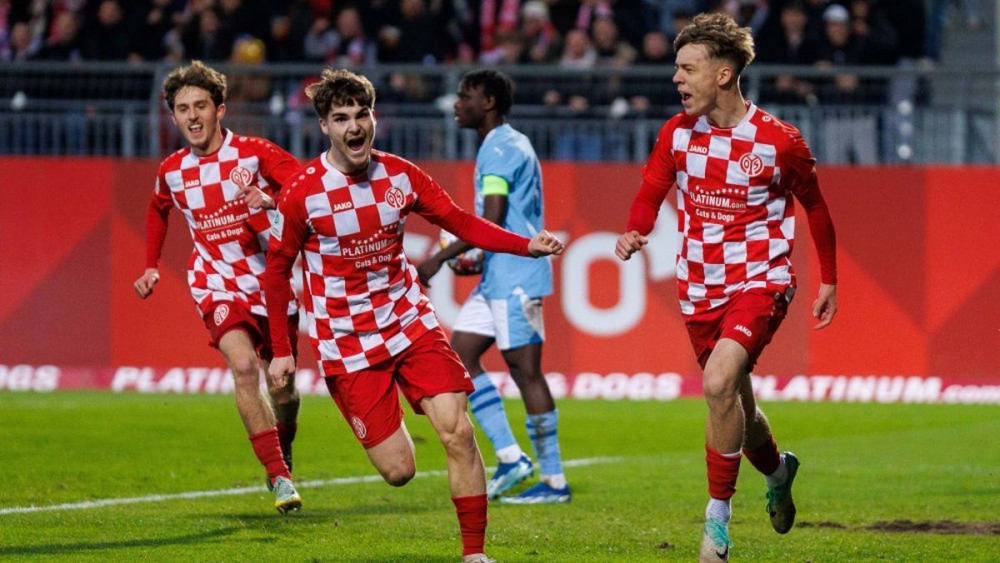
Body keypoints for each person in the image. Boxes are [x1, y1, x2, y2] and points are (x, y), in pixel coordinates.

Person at [262, 68, 565, 563]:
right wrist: (281, 351)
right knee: (399, 470)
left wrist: (525, 245)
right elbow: (276, 274)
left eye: (362, 114)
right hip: (348, 343)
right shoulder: (301, 193)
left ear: (374, 117)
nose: (355, 126)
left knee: (459, 432)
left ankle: (474, 554)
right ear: (324, 126)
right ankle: (386, 414)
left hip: (409, 322)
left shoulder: (401, 176)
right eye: (342, 118)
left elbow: (461, 221)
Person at [614, 13, 838, 562]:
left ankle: (716, 523)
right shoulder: (676, 133)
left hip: (761, 280)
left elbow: (816, 208)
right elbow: (651, 190)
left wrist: (829, 279)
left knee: (717, 383)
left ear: (723, 73)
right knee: (737, 405)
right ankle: (779, 473)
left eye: (688, 68)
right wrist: (635, 230)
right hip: (700, 288)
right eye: (677, 68)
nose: (677, 78)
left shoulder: (778, 141)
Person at [133, 60, 303, 514]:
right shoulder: (172, 169)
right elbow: (157, 208)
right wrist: (150, 266)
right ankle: (279, 477)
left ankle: (283, 445)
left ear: (219, 109)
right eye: (182, 108)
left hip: (271, 283)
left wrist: (272, 200)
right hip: (215, 282)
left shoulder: (255, 153)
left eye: (200, 106)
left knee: (283, 389)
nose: (192, 116)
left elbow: (307, 190)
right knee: (244, 367)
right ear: (173, 117)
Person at [417, 70, 571, 505]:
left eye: (464, 96)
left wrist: (440, 257)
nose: (456, 103)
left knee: (526, 372)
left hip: (516, 278)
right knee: (461, 355)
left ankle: (554, 481)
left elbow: (493, 220)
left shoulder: (500, 150)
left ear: (487, 103)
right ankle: (510, 457)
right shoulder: (505, 143)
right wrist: (478, 256)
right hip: (498, 276)